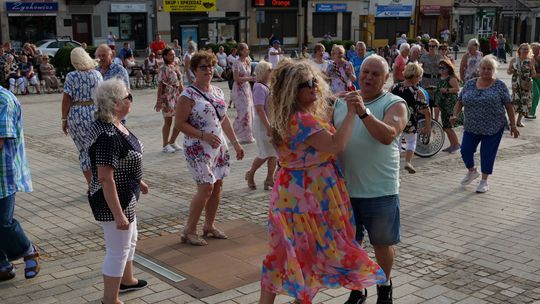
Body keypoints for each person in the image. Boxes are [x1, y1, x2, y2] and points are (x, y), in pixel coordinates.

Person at [259, 59, 385, 304]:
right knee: (310, 255)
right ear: (293, 91)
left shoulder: (291, 116)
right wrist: (351, 113)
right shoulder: (301, 120)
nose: (316, 87)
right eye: (308, 84)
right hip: (307, 199)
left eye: (316, 80)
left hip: (295, 195)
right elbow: (336, 144)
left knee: (288, 255)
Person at [334, 55, 409, 304]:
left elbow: (387, 135)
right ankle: (357, 289)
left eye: (376, 74)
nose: (368, 77)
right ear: (358, 72)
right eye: (365, 71)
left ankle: (384, 286)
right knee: (350, 246)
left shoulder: (394, 103)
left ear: (386, 78)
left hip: (380, 191)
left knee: (382, 244)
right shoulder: (342, 102)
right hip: (344, 191)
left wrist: (364, 113)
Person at [86, 79, 149, 304]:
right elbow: (104, 177)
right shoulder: (107, 135)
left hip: (126, 194)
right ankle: (110, 299)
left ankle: (127, 279)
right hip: (113, 201)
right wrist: (118, 214)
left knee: (131, 239)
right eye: (128, 97)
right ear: (115, 104)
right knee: (117, 250)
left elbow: (124, 160)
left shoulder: (116, 124)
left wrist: (138, 181)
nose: (131, 100)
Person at [175, 51, 245, 246]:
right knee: (206, 187)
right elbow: (179, 124)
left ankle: (209, 226)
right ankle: (189, 230)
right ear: (194, 70)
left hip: (218, 146)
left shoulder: (217, 91)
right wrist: (203, 135)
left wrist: (236, 143)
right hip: (197, 147)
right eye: (203, 67)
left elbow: (223, 119)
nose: (208, 70)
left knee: (218, 185)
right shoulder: (187, 95)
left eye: (211, 66)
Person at [451, 55, 519, 193]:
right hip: (472, 125)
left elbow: (508, 106)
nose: (486, 71)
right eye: (484, 68)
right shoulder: (470, 84)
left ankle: (484, 181)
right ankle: (471, 171)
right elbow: (460, 101)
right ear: (479, 69)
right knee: (465, 150)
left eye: (489, 69)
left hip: (493, 126)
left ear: (493, 70)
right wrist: (454, 115)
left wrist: (513, 125)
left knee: (487, 153)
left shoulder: (499, 85)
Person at [0, 85, 39, 282]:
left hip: (3, 173)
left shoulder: (3, 100)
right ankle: (3, 265)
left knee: (3, 223)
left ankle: (28, 249)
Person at [61, 47, 103, 184]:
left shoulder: (71, 76)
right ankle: (102, 182)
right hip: (95, 113)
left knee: (84, 151)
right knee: (97, 149)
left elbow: (66, 99)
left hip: (77, 114)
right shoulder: (97, 74)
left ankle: (92, 185)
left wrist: (63, 118)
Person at [390, 62, 431, 174]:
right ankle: (408, 162)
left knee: (396, 143)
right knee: (411, 142)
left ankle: (395, 166)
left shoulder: (394, 87)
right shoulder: (418, 92)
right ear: (416, 76)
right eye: (420, 77)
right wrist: (428, 127)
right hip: (410, 122)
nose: (420, 80)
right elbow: (427, 111)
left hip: (395, 121)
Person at [245, 61, 277, 190]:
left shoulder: (268, 85)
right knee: (265, 153)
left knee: (274, 153)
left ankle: (269, 178)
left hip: (270, 122)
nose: (272, 72)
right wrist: (268, 127)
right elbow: (259, 109)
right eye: (269, 70)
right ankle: (251, 173)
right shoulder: (259, 86)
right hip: (262, 124)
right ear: (263, 71)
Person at [154, 47, 184, 153]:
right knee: (168, 121)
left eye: (173, 54)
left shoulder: (175, 66)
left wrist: (184, 95)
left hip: (177, 96)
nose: (173, 56)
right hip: (167, 97)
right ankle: (165, 145)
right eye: (171, 54)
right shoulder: (163, 68)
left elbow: (180, 83)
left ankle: (172, 141)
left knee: (181, 120)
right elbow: (160, 86)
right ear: (165, 56)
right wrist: (159, 101)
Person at [436, 59, 462, 153]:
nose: (441, 70)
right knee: (446, 127)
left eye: (444, 68)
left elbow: (457, 89)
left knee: (447, 127)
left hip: (450, 105)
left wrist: (446, 90)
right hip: (443, 105)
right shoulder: (440, 78)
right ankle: (452, 144)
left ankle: (456, 144)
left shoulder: (451, 78)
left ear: (448, 68)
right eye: (440, 68)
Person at [232, 43, 256, 143]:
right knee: (243, 112)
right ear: (241, 51)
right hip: (238, 89)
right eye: (246, 49)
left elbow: (251, 73)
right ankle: (237, 133)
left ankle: (248, 135)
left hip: (246, 88)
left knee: (249, 111)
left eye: (248, 49)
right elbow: (236, 78)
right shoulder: (236, 63)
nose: (248, 51)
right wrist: (250, 78)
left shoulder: (248, 61)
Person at [507, 43, 535, 128]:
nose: (525, 50)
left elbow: (533, 74)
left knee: (525, 103)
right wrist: (512, 70)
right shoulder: (514, 60)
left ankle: (519, 121)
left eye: (527, 49)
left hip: (526, 85)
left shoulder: (530, 60)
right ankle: (511, 122)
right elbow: (508, 72)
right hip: (516, 85)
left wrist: (531, 66)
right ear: (519, 50)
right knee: (515, 102)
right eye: (524, 49)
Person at [419, 39, 442, 118]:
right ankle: (429, 118)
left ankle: (435, 120)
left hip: (437, 80)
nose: (431, 48)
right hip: (426, 80)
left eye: (433, 46)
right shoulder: (424, 56)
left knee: (436, 102)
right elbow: (420, 68)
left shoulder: (440, 57)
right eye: (429, 46)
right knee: (427, 100)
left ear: (436, 47)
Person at [529, 42, 540, 119]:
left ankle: (531, 112)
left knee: (536, 96)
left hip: (539, 79)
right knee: (536, 94)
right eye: (536, 49)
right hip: (531, 79)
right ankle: (531, 112)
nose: (538, 50)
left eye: (539, 49)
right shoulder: (529, 58)